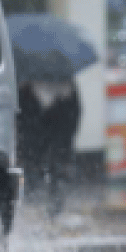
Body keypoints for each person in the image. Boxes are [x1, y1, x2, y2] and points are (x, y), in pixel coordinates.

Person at [17, 74, 81, 218]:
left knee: (53, 169)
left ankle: (50, 206)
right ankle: (40, 203)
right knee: (41, 169)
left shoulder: (27, 85)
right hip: (40, 138)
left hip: (51, 137)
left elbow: (74, 112)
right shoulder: (66, 85)